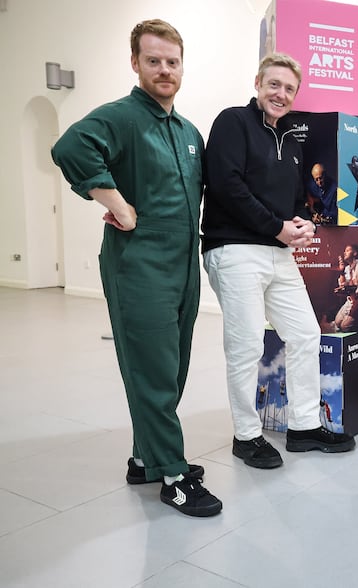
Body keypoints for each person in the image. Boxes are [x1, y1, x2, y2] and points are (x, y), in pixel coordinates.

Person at [50, 19, 222, 517]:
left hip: (184, 264)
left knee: (172, 367)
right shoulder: (122, 117)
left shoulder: (188, 131)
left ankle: (145, 457)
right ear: (136, 64)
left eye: (172, 61)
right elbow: (69, 148)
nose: (164, 69)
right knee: (151, 370)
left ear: (182, 65)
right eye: (154, 61)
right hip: (139, 263)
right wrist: (118, 205)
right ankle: (173, 476)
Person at [201, 52, 355, 468]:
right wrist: (277, 227)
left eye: (289, 88)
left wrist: (300, 224)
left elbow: (292, 202)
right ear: (257, 83)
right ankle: (246, 435)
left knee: (305, 333)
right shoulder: (232, 122)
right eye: (274, 84)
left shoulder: (290, 138)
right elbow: (227, 186)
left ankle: (304, 427)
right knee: (247, 344)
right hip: (233, 249)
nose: (281, 94)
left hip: (277, 251)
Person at [333, 243, 358, 331]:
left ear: (355, 253)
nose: (344, 253)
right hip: (350, 300)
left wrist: (348, 290)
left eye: (348, 250)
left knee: (344, 327)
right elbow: (343, 284)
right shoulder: (347, 268)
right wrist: (341, 271)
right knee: (337, 323)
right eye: (344, 251)